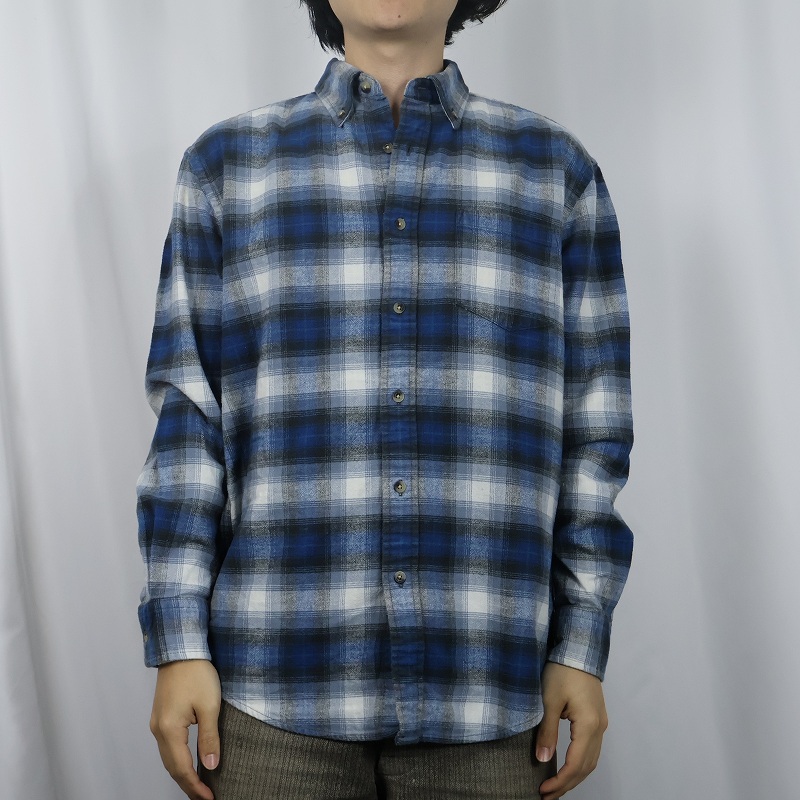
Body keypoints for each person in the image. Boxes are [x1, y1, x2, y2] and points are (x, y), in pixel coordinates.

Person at [137, 2, 634, 798]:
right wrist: (178, 641)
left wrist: (580, 645)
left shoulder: (555, 173)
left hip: (487, 694)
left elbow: (595, 432)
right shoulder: (227, 167)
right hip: (267, 692)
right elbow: (188, 421)